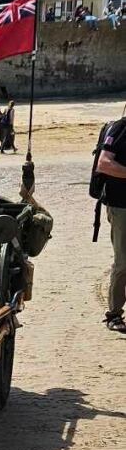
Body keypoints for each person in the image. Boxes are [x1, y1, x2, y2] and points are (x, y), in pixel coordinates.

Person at [94, 113, 126, 332]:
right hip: (121, 206)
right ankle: (114, 314)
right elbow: (103, 164)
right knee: (123, 262)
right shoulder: (120, 129)